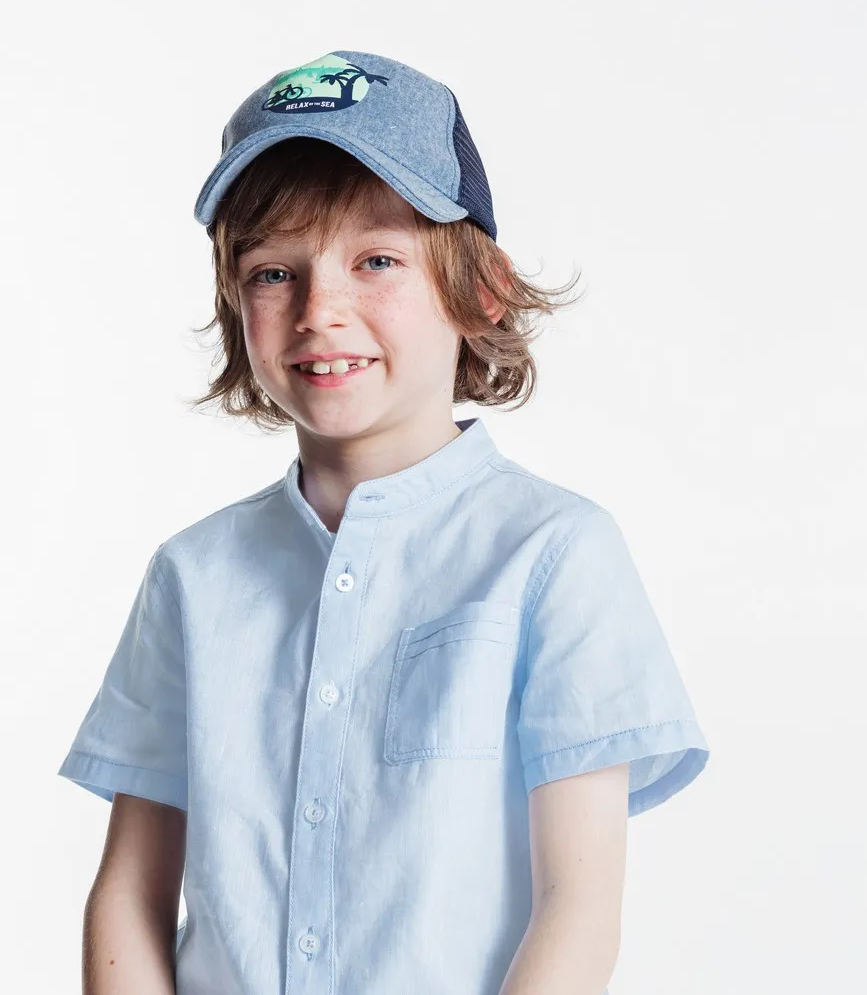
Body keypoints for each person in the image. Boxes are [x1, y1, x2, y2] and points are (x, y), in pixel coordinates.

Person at [57, 49, 711, 995]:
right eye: (273, 271)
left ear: (480, 288)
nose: (320, 311)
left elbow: (578, 905)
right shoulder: (191, 577)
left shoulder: (555, 554)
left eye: (376, 261)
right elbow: (130, 891)